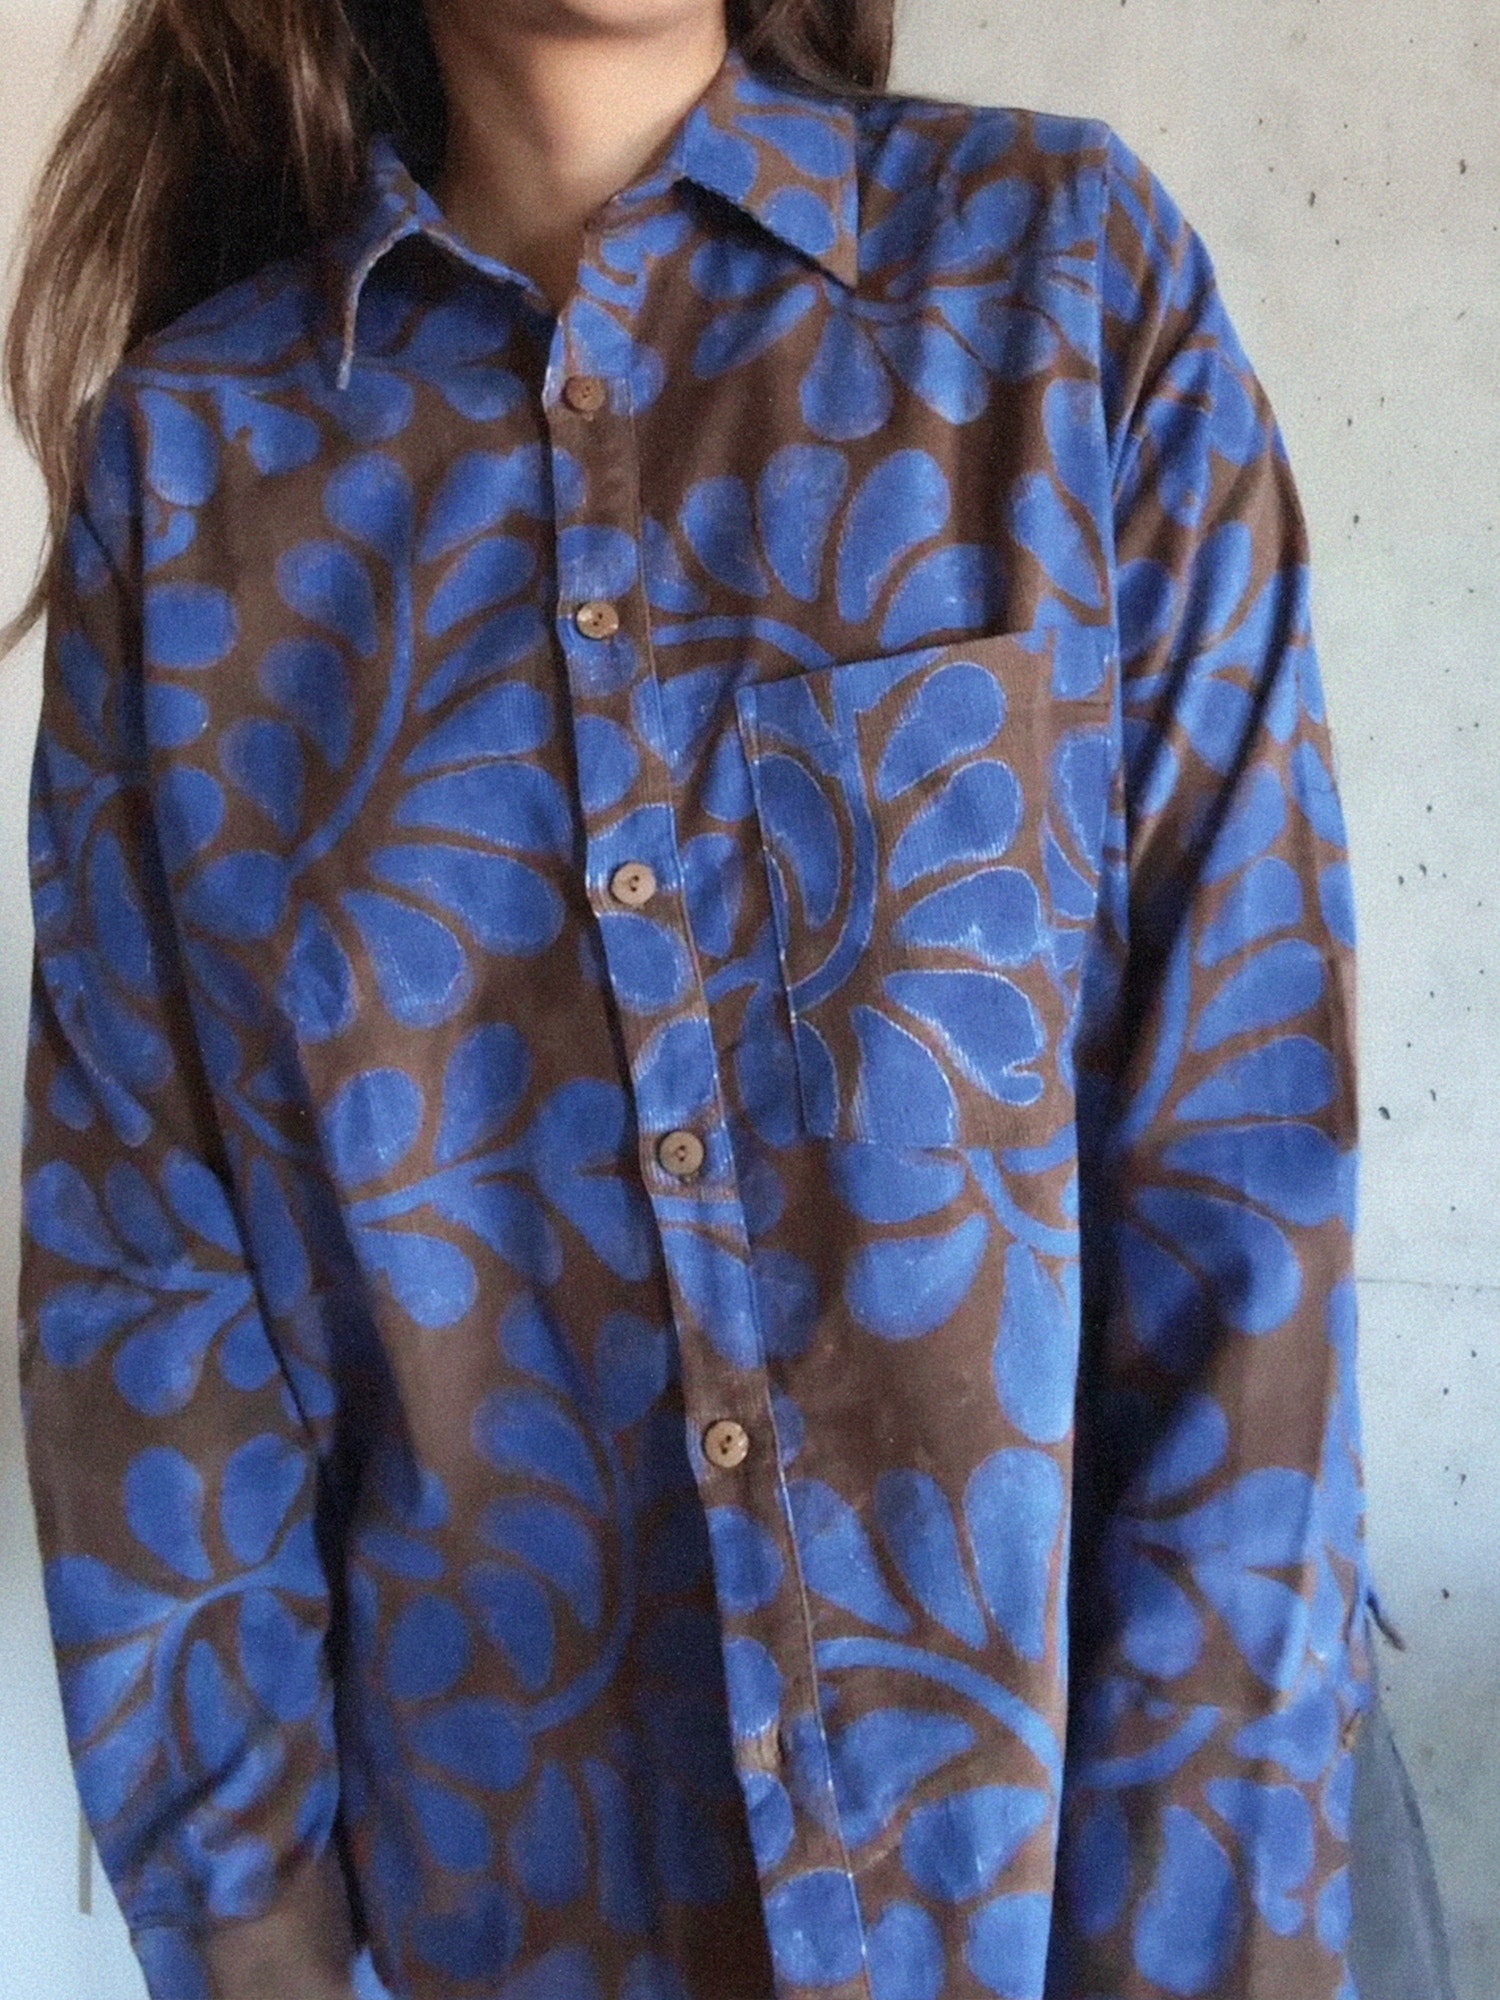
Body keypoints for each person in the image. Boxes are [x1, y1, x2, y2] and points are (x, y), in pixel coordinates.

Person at [2, 1, 1451, 1996]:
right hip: (526, 1915)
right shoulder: (195, 486)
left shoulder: (1058, 286)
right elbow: (151, 1322)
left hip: (1124, 1898)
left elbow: (1242, 1200)